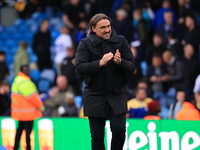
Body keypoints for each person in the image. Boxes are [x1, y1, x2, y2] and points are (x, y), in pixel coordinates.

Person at [74, 13, 136, 150]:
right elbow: (78, 68)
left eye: (108, 26)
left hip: (117, 94)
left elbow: (132, 67)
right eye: (103, 27)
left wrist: (121, 62)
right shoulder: (85, 43)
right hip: (94, 94)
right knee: (97, 135)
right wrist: (99, 63)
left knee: (119, 130)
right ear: (93, 28)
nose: (107, 30)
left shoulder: (121, 41)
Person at [11, 65, 44, 150]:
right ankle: (28, 148)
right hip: (27, 112)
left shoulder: (17, 80)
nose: (28, 71)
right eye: (26, 70)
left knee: (20, 131)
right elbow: (32, 97)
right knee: (28, 132)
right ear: (22, 71)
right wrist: (40, 106)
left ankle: (16, 147)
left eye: (28, 69)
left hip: (20, 111)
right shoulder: (25, 82)